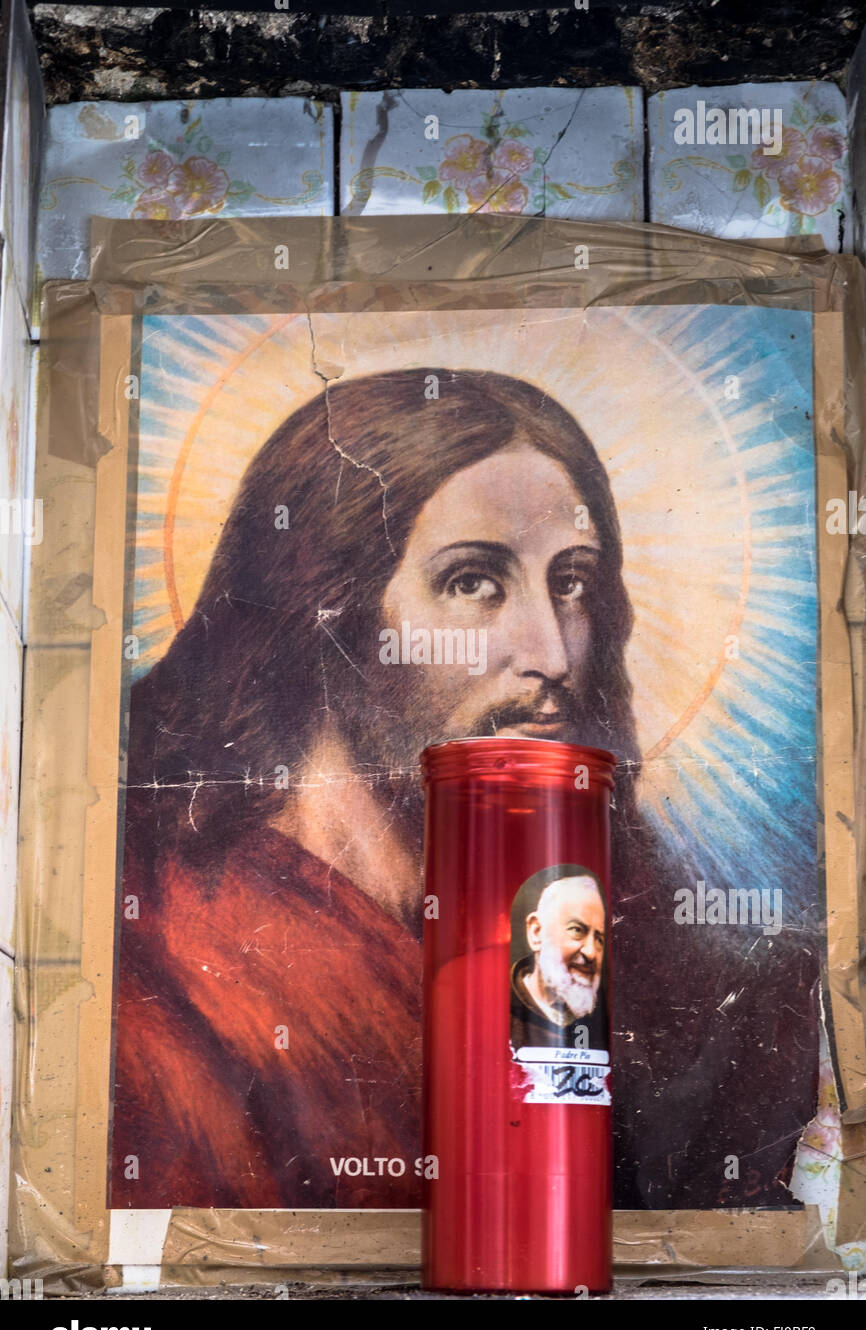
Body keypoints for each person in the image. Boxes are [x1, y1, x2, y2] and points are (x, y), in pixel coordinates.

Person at [111, 367, 818, 1212]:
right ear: (328, 607)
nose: (551, 654)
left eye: (572, 582)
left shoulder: (578, 922)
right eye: (473, 581)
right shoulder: (174, 961)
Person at [510, 874, 608, 1052]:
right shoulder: (496, 1013)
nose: (591, 952)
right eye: (577, 930)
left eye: (599, 939)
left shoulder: (604, 1019)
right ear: (536, 932)